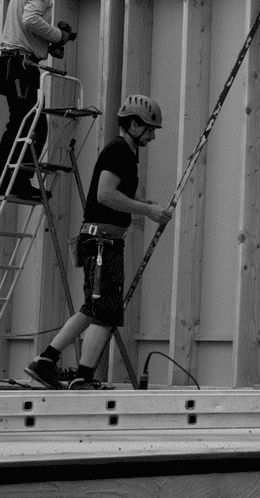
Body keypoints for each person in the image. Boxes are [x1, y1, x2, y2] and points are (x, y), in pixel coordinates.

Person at [24, 95, 173, 389]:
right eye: (149, 129)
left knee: (92, 309)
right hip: (103, 242)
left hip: (101, 240)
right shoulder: (119, 151)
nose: (153, 136)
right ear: (133, 124)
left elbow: (110, 197)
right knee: (106, 313)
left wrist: (142, 205)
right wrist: (148, 210)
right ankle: (82, 377)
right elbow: (105, 194)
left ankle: (44, 362)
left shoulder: (124, 152)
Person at [0, 0, 76, 202]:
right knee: (31, 126)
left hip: (15, 63)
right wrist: (58, 35)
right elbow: (31, 19)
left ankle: (1, 182)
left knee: (21, 124)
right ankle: (13, 182)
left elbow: (26, 27)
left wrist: (49, 44)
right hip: (20, 66)